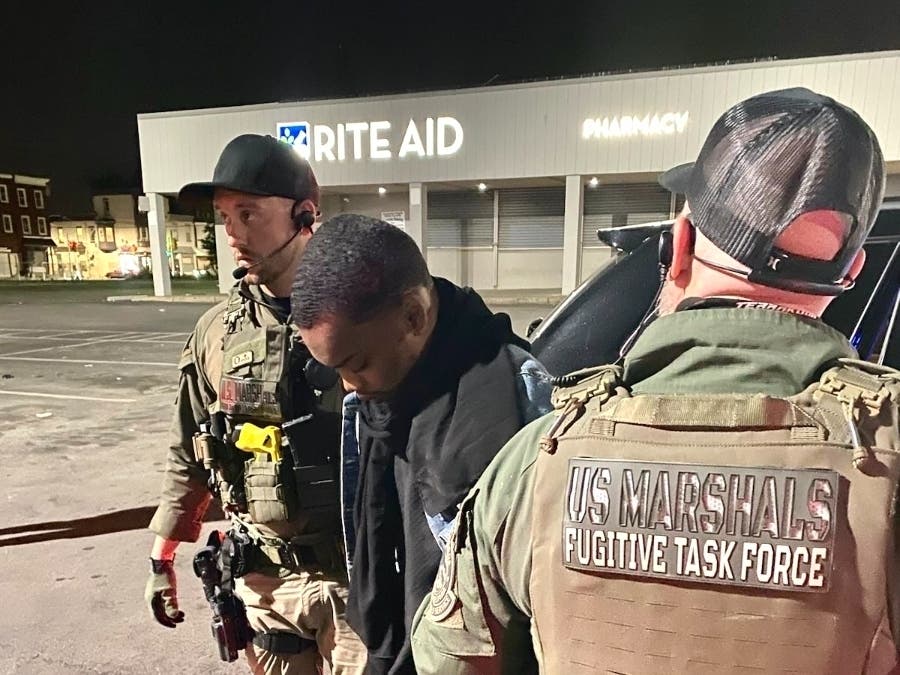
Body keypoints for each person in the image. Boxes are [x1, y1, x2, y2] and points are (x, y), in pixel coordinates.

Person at [411, 87, 900, 674]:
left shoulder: (537, 461)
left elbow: (452, 659)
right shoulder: (886, 454)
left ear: (682, 241)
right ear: (850, 270)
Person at [290, 214, 553, 674]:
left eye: (356, 363)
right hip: (397, 655)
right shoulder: (371, 403)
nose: (349, 387)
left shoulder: (518, 396)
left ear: (414, 315)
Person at [144, 134, 366, 674]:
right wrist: (162, 555)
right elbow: (190, 448)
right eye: (225, 217)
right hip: (266, 586)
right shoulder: (216, 333)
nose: (234, 234)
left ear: (304, 214)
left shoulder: (367, 316)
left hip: (361, 581)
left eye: (249, 214)